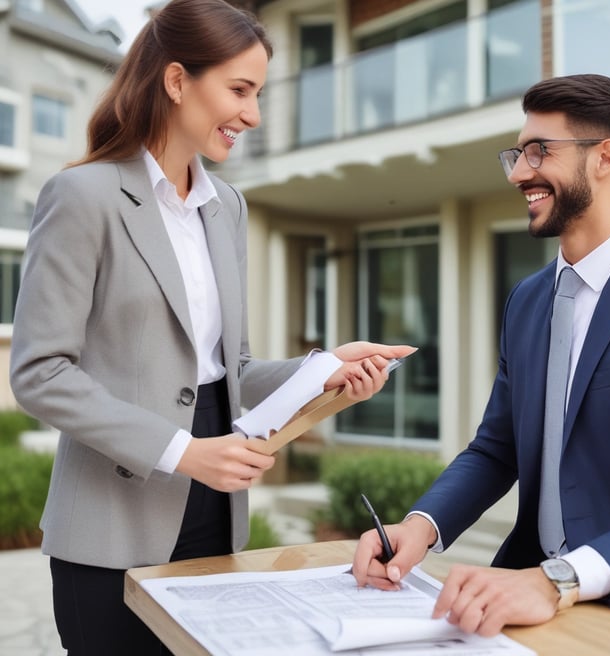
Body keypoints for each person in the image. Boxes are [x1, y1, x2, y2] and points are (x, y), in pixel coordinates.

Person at [9, 0, 414, 654]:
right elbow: (39, 373)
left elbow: (233, 370)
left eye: (257, 94)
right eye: (239, 90)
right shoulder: (83, 196)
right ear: (176, 81)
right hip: (113, 523)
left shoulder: (226, 207)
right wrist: (183, 452)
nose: (252, 114)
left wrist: (325, 372)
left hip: (215, 513)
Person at [352, 73, 610, 635]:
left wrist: (555, 579)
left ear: (605, 157)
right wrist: (418, 527)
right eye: (517, 153)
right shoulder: (529, 299)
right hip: (531, 599)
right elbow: (496, 449)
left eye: (540, 152)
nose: (518, 172)